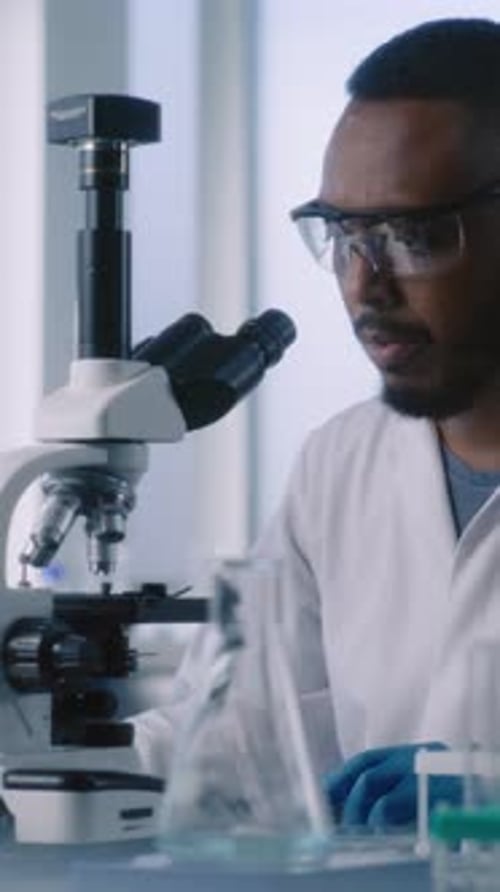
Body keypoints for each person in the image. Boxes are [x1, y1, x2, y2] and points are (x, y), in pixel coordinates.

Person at [133, 17, 500, 830]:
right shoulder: (341, 464)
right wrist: (40, 785)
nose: (365, 285)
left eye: (415, 236)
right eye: (343, 235)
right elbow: (238, 734)